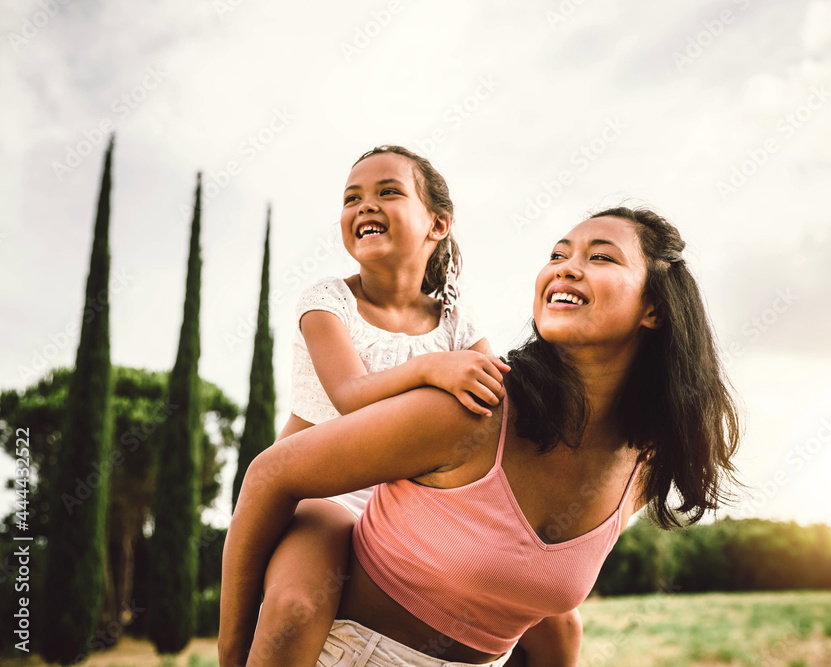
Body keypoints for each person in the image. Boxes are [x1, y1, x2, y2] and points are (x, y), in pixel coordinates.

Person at [220, 205, 741, 666]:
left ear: (656, 308)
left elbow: (518, 583)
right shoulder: (474, 409)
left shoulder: (642, 467)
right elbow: (271, 472)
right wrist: (232, 655)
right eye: (559, 254)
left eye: (601, 258)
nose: (566, 266)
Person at [225, 145, 582, 666]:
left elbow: (505, 407)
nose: (364, 206)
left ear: (438, 224)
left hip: (419, 502)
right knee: (297, 605)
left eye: (387, 192)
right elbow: (350, 398)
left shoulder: (457, 320)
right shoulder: (327, 303)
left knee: (562, 626)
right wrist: (430, 368)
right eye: (352, 198)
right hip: (323, 491)